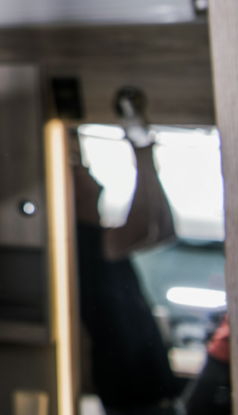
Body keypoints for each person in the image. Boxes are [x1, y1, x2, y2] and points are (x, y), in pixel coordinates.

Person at [74, 87, 186, 415]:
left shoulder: (99, 237)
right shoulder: (83, 241)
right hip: (131, 393)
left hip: (147, 389)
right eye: (77, 168)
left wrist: (144, 152)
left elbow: (163, 229)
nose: (86, 169)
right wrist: (141, 149)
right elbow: (144, 226)